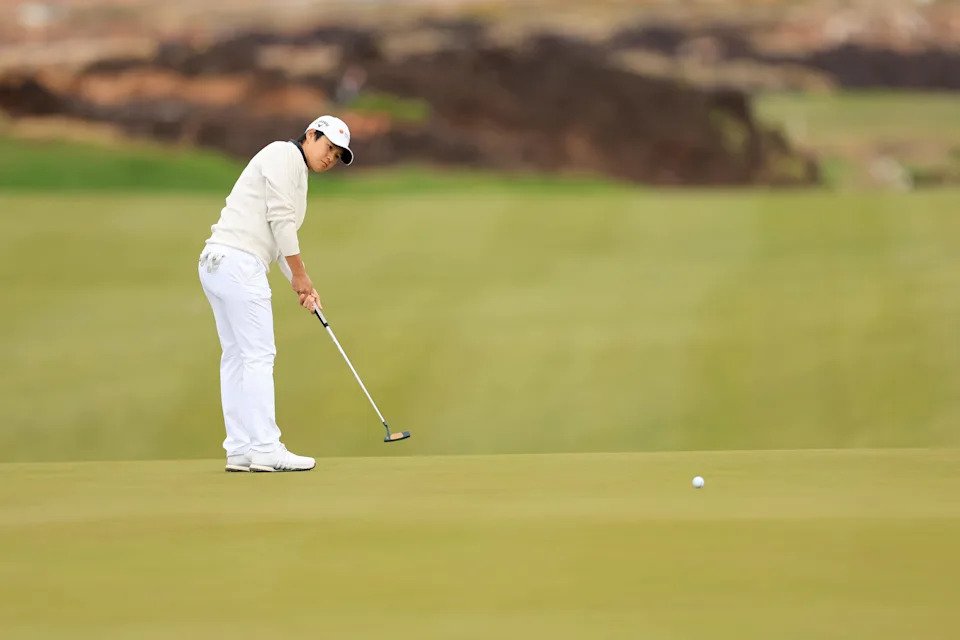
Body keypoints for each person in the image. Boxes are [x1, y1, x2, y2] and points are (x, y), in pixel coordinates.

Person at [198, 115, 354, 472]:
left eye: (338, 154)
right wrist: (300, 276)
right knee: (258, 355)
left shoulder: (294, 171)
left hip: (219, 261)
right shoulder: (284, 155)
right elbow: (281, 221)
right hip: (238, 263)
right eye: (328, 146)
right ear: (311, 135)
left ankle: (240, 448)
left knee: (238, 356)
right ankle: (266, 447)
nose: (331, 157)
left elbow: (278, 237)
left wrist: (302, 284)